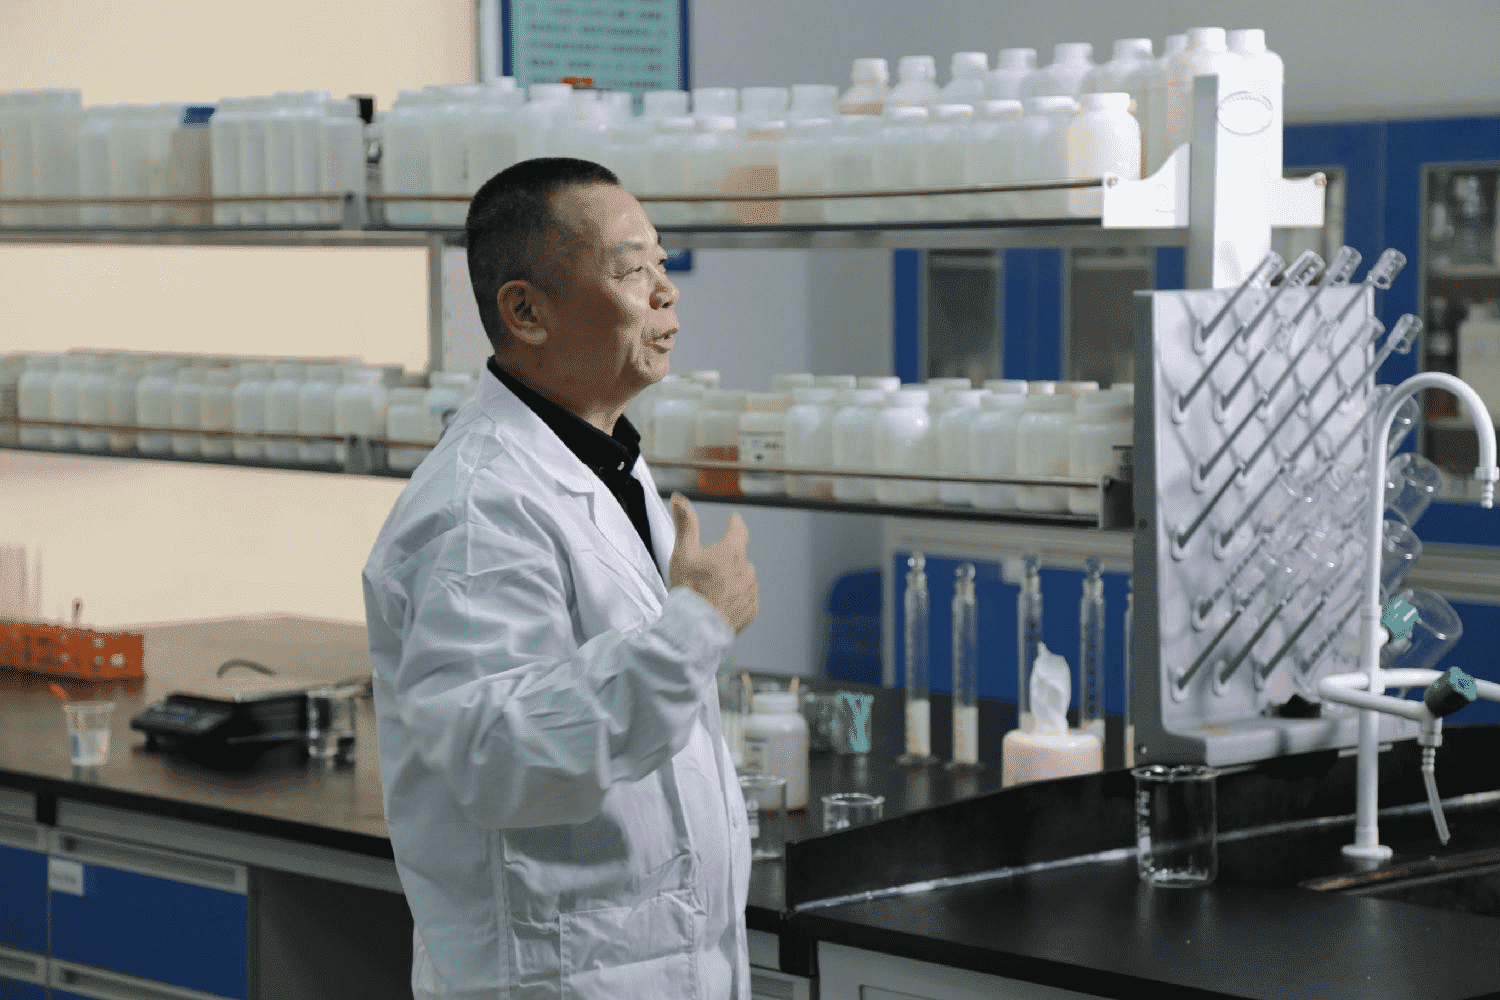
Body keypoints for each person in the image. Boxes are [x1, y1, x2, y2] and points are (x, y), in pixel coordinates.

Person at [362, 157, 759, 1000]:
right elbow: (499, 756)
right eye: (631, 270)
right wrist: (696, 623)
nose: (666, 293)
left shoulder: (602, 458)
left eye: (662, 263)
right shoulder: (476, 508)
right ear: (527, 311)